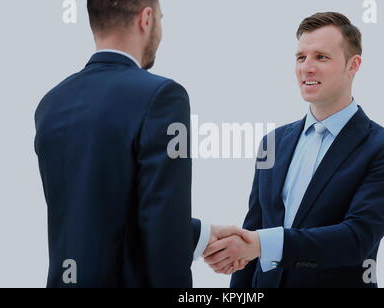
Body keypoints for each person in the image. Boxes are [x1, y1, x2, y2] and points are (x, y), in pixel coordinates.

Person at [34, 0, 245, 288]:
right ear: (146, 19)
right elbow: (161, 225)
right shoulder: (162, 96)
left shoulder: (51, 103)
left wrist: (201, 235)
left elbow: (98, 211)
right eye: (160, 17)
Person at [203, 12, 384, 288]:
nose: (307, 68)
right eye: (301, 57)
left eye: (321, 57)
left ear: (354, 65)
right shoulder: (274, 142)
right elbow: (254, 229)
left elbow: (356, 239)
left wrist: (263, 244)